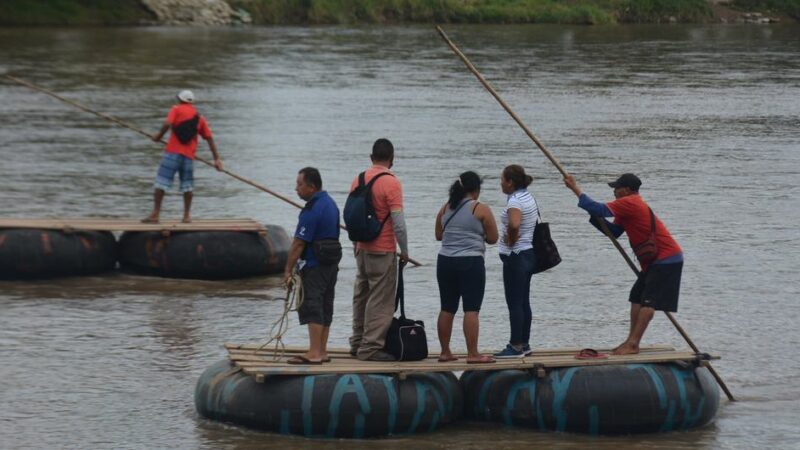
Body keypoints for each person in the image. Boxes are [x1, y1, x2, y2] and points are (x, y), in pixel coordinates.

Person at [564, 173, 683, 355]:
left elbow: (599, 208)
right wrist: (595, 216)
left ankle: (633, 343)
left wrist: (574, 188)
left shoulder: (631, 202)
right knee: (636, 297)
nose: (614, 192)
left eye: (616, 188)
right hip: (653, 262)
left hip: (666, 259)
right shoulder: (626, 207)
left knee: (648, 302)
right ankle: (630, 341)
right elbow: (614, 232)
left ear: (626, 190)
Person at [348, 138, 409, 362]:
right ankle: (371, 348)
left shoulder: (359, 179)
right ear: (392, 160)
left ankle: (357, 342)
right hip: (382, 250)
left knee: (361, 296)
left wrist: (356, 245)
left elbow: (354, 215)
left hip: (361, 247)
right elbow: (398, 223)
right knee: (381, 300)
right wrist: (405, 250)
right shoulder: (391, 183)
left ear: (371, 157)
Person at [434, 171, 498, 364]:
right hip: (470, 262)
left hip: (445, 261)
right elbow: (494, 238)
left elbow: (439, 235)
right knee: (471, 309)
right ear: (475, 190)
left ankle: (445, 352)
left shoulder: (445, 208)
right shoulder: (480, 208)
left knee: (447, 307)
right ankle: (473, 354)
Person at [283, 167, 341, 364]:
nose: (296, 189)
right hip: (331, 265)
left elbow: (298, 243)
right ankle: (322, 350)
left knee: (313, 304)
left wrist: (288, 270)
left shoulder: (312, 210)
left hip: (315, 265)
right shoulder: (330, 204)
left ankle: (314, 352)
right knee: (326, 305)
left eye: (300, 185)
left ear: (312, 187)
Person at [142, 90, 223, 224]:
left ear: (179, 99)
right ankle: (186, 216)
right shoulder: (199, 118)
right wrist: (217, 159)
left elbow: (168, 123)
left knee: (161, 183)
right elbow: (209, 138)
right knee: (187, 186)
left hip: (172, 153)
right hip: (188, 157)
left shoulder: (176, 109)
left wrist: (158, 136)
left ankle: (155, 214)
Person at [495, 165, 540, 359]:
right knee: (523, 301)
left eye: (502, 180)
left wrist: (511, 239)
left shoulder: (514, 201)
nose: (501, 184)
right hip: (529, 252)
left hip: (516, 255)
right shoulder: (528, 197)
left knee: (514, 302)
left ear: (510, 182)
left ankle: (515, 345)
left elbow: (514, 223)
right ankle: (524, 343)